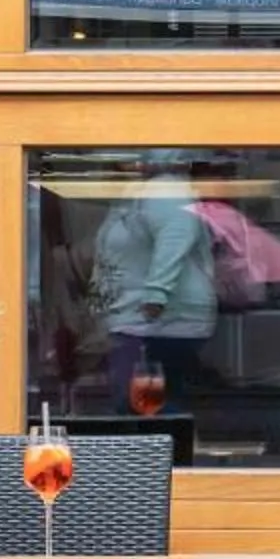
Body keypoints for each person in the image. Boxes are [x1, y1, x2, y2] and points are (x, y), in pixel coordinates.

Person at [94, 152, 215, 413]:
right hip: (141, 321)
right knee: (143, 409)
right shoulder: (137, 192)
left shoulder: (164, 188)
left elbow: (178, 232)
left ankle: (163, 453)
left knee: (142, 408)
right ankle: (161, 450)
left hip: (158, 323)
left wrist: (156, 294)